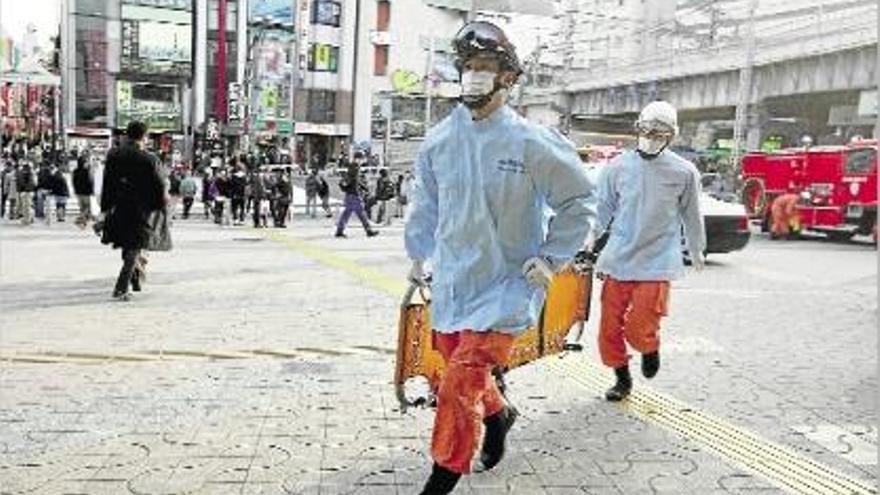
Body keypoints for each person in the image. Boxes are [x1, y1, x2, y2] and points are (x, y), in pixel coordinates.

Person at [404, 21, 595, 494]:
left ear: (508, 77)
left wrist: (551, 258)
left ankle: (445, 471)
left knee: (458, 382)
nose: (474, 76)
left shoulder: (532, 143)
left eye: (485, 67)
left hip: (508, 284)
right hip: (452, 282)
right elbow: (425, 204)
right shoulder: (439, 141)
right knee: (462, 371)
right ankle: (501, 414)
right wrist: (417, 255)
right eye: (468, 66)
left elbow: (578, 203)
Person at [589, 100, 706, 403]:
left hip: (657, 260)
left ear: (672, 135)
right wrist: (589, 240)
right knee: (608, 329)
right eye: (648, 128)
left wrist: (697, 249)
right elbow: (602, 209)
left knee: (640, 325)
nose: (652, 135)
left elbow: (691, 214)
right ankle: (621, 378)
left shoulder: (684, 172)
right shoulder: (616, 168)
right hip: (618, 257)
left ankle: (649, 346)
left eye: (661, 131)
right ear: (637, 128)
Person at [100, 121, 166, 301]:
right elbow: (159, 186)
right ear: (144, 137)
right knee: (135, 247)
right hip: (141, 209)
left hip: (119, 207)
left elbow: (107, 183)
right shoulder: (149, 158)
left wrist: (105, 207)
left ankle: (135, 280)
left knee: (127, 245)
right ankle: (121, 287)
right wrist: (159, 206)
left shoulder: (114, 155)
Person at [335, 155, 379, 238]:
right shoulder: (353, 170)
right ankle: (369, 231)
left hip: (350, 196)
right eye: (361, 159)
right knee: (361, 214)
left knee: (347, 214)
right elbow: (352, 182)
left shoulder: (353, 171)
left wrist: (363, 188)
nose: (362, 160)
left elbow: (355, 182)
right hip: (354, 196)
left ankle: (339, 231)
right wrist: (362, 189)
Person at [73, 156, 95, 227]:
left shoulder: (75, 171)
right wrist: (92, 190)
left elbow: (73, 181)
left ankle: (84, 218)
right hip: (86, 192)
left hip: (79, 192)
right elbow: (91, 181)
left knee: (82, 207)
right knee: (87, 207)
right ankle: (82, 220)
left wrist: (75, 189)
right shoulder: (87, 171)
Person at [16, 160, 36, 225]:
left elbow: (22, 182)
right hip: (30, 191)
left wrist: (23, 189)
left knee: (26, 207)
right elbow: (33, 183)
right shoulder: (31, 172)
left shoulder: (25, 172)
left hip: (26, 191)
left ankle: (27, 220)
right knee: (29, 206)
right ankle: (30, 218)